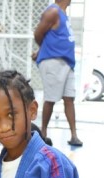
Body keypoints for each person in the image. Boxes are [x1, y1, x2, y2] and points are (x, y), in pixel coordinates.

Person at [33, 0, 83, 147]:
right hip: (53, 61)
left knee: (69, 98)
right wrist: (43, 50)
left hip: (67, 62)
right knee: (51, 98)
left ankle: (74, 135)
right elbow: (38, 34)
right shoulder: (53, 11)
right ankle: (43, 133)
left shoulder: (63, 14)